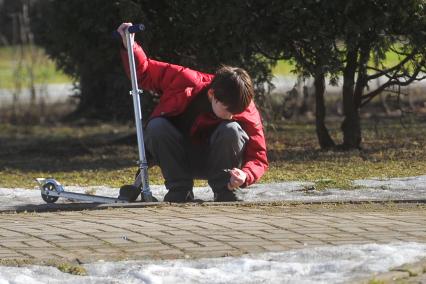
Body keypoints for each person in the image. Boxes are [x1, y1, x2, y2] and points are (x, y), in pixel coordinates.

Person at [117, 22, 268, 202]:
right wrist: (131, 45)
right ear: (212, 94)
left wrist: (245, 175)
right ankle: (180, 191)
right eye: (227, 111)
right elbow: (146, 72)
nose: (232, 116)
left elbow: (258, 155)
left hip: (217, 163)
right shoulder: (185, 80)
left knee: (232, 129)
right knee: (157, 126)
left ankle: (224, 191)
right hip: (177, 158)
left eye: (237, 112)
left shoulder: (243, 104)